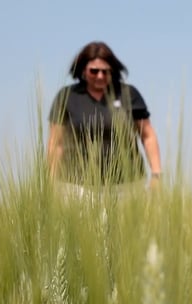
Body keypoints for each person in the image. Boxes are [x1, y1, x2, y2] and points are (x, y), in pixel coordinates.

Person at [46, 41, 162, 201]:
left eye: (105, 71)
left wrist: (156, 174)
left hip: (127, 186)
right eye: (94, 71)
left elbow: (147, 135)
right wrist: (50, 181)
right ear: (83, 71)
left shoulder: (128, 94)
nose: (100, 76)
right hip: (76, 188)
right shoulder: (67, 96)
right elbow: (56, 143)